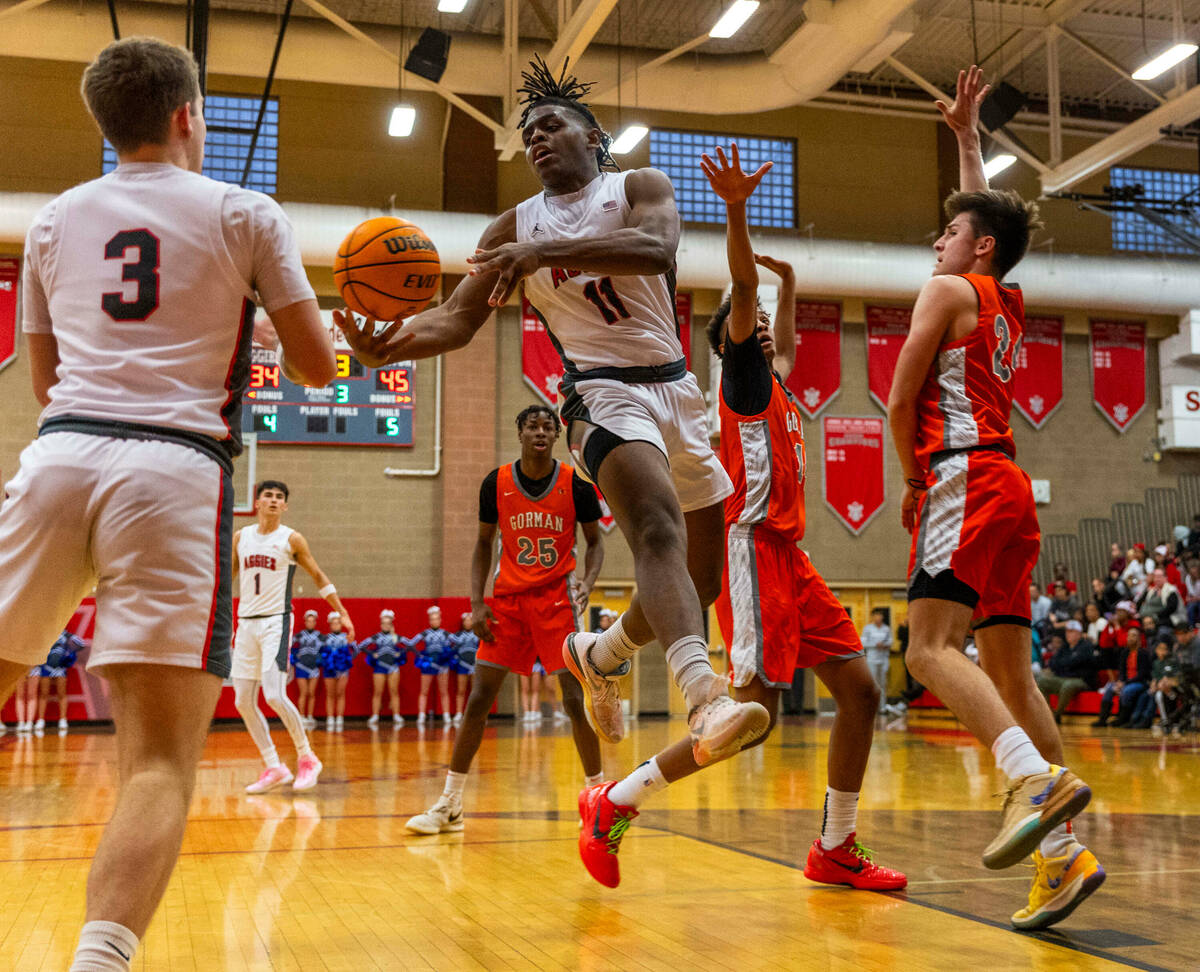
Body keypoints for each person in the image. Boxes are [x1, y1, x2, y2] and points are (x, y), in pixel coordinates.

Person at [336, 57, 769, 858]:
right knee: (658, 535)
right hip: (600, 393)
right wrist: (383, 347)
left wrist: (542, 259)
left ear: (591, 138)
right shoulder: (510, 227)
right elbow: (458, 321)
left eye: (549, 125)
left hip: (678, 389)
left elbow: (654, 248)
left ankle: (597, 653)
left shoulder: (636, 187)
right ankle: (703, 697)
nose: (535, 138)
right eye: (525, 133)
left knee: (696, 583)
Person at [0, 36, 335, 971]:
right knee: (154, 762)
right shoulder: (245, 212)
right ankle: (98, 964)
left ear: (106, 125)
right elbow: (315, 364)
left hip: (59, 454)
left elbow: (44, 379)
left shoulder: (55, 219)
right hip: (175, 470)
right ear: (190, 115)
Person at [599, 145, 901, 893]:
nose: (765, 331)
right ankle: (614, 800)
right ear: (733, 343)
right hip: (747, 550)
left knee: (860, 691)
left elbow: (785, 340)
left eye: (766, 325)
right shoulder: (737, 381)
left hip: (789, 558)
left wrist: (788, 285)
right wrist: (736, 214)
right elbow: (739, 289)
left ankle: (835, 847)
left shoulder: (777, 384)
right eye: (752, 324)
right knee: (752, 712)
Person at [886, 66, 1101, 929]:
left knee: (927, 652)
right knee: (1011, 674)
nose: (935, 242)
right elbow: (989, 229)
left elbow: (898, 400)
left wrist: (908, 477)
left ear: (971, 249)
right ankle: (1061, 858)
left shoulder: (946, 289)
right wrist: (968, 140)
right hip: (1011, 487)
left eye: (947, 233)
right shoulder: (1001, 295)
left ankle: (1031, 778)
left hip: (961, 475)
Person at [405, 403, 605, 835]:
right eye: (532, 425)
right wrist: (476, 603)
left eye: (548, 427)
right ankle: (450, 804)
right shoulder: (495, 482)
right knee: (479, 699)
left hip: (556, 601)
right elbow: (482, 544)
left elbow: (596, 541)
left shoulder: (577, 484)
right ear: (519, 432)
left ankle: (596, 799)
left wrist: (588, 580)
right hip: (508, 601)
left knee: (572, 701)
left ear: (555, 436)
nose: (540, 432)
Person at [232, 480, 351, 792]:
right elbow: (227, 578)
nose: (273, 500)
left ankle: (307, 757)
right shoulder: (241, 538)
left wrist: (342, 612)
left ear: (284, 506)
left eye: (279, 497)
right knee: (243, 700)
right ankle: (274, 767)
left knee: (273, 694)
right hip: (245, 623)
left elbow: (318, 576)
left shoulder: (292, 539)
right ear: (256, 502)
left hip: (276, 621)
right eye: (268, 496)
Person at [1035, 621, 1099, 724]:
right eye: (1067, 632)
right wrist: (1067, 663)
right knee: (1041, 681)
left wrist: (1064, 663)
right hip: (1064, 678)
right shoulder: (1065, 647)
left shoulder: (1086, 646)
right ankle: (1048, 714)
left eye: (1072, 632)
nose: (1068, 634)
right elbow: (1053, 662)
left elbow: (1076, 662)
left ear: (1079, 633)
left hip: (1082, 680)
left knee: (1068, 685)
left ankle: (1057, 715)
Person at [402, 606, 455, 726]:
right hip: (428, 665)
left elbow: (459, 642)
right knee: (424, 691)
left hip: (442, 665)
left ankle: (446, 715)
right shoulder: (425, 634)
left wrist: (449, 653)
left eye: (436, 619)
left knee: (444, 691)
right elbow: (411, 643)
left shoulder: (446, 634)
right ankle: (421, 715)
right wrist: (420, 655)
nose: (434, 621)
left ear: (440, 620)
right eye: (432, 619)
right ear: (429, 621)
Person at [359, 608, 405, 727]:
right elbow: (362, 646)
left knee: (394, 691)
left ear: (391, 625)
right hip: (380, 667)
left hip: (393, 667)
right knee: (378, 692)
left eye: (388, 623)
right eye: (384, 623)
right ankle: (375, 715)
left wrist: (400, 653)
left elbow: (409, 645)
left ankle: (396, 714)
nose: (386, 626)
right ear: (380, 624)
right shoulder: (376, 637)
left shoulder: (395, 637)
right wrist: (372, 654)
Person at [37, 629, 88, 731]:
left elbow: (82, 644)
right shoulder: (45, 633)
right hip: (46, 666)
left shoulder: (65, 634)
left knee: (62, 693)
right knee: (44, 693)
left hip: (60, 668)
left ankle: (63, 719)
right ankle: (40, 720)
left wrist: (70, 650)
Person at [319, 612, 355, 731]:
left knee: (340, 693)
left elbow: (356, 649)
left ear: (341, 624)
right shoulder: (325, 638)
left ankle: (339, 717)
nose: (336, 625)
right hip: (329, 668)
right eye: (333, 623)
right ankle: (330, 718)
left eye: (338, 623)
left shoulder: (346, 637)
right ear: (330, 625)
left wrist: (347, 660)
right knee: (330, 694)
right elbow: (319, 651)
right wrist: (325, 661)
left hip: (343, 669)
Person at [289, 609, 324, 728]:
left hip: (314, 668)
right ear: (305, 622)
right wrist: (294, 658)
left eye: (312, 621)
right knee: (303, 692)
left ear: (315, 622)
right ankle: (301, 715)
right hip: (301, 667)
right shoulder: (299, 635)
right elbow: (289, 645)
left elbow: (327, 649)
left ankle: (310, 715)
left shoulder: (320, 636)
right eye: (308, 621)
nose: (310, 623)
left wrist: (322, 659)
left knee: (311, 693)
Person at [860, 609, 894, 714]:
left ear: (882, 617)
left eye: (880, 615)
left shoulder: (886, 629)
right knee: (872, 683)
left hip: (883, 659)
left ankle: (882, 707)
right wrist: (875, 644)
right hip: (872, 659)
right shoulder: (868, 628)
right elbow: (863, 642)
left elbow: (891, 641)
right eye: (876, 615)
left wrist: (885, 645)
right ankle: (870, 707)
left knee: (883, 683)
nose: (878, 617)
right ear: (872, 617)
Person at [449, 612, 479, 725]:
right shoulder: (457, 635)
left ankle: (475, 714)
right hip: (462, 666)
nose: (468, 623)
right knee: (461, 690)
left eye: (470, 620)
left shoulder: (478, 634)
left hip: (474, 666)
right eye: (465, 621)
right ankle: (458, 713)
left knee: (475, 692)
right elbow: (453, 650)